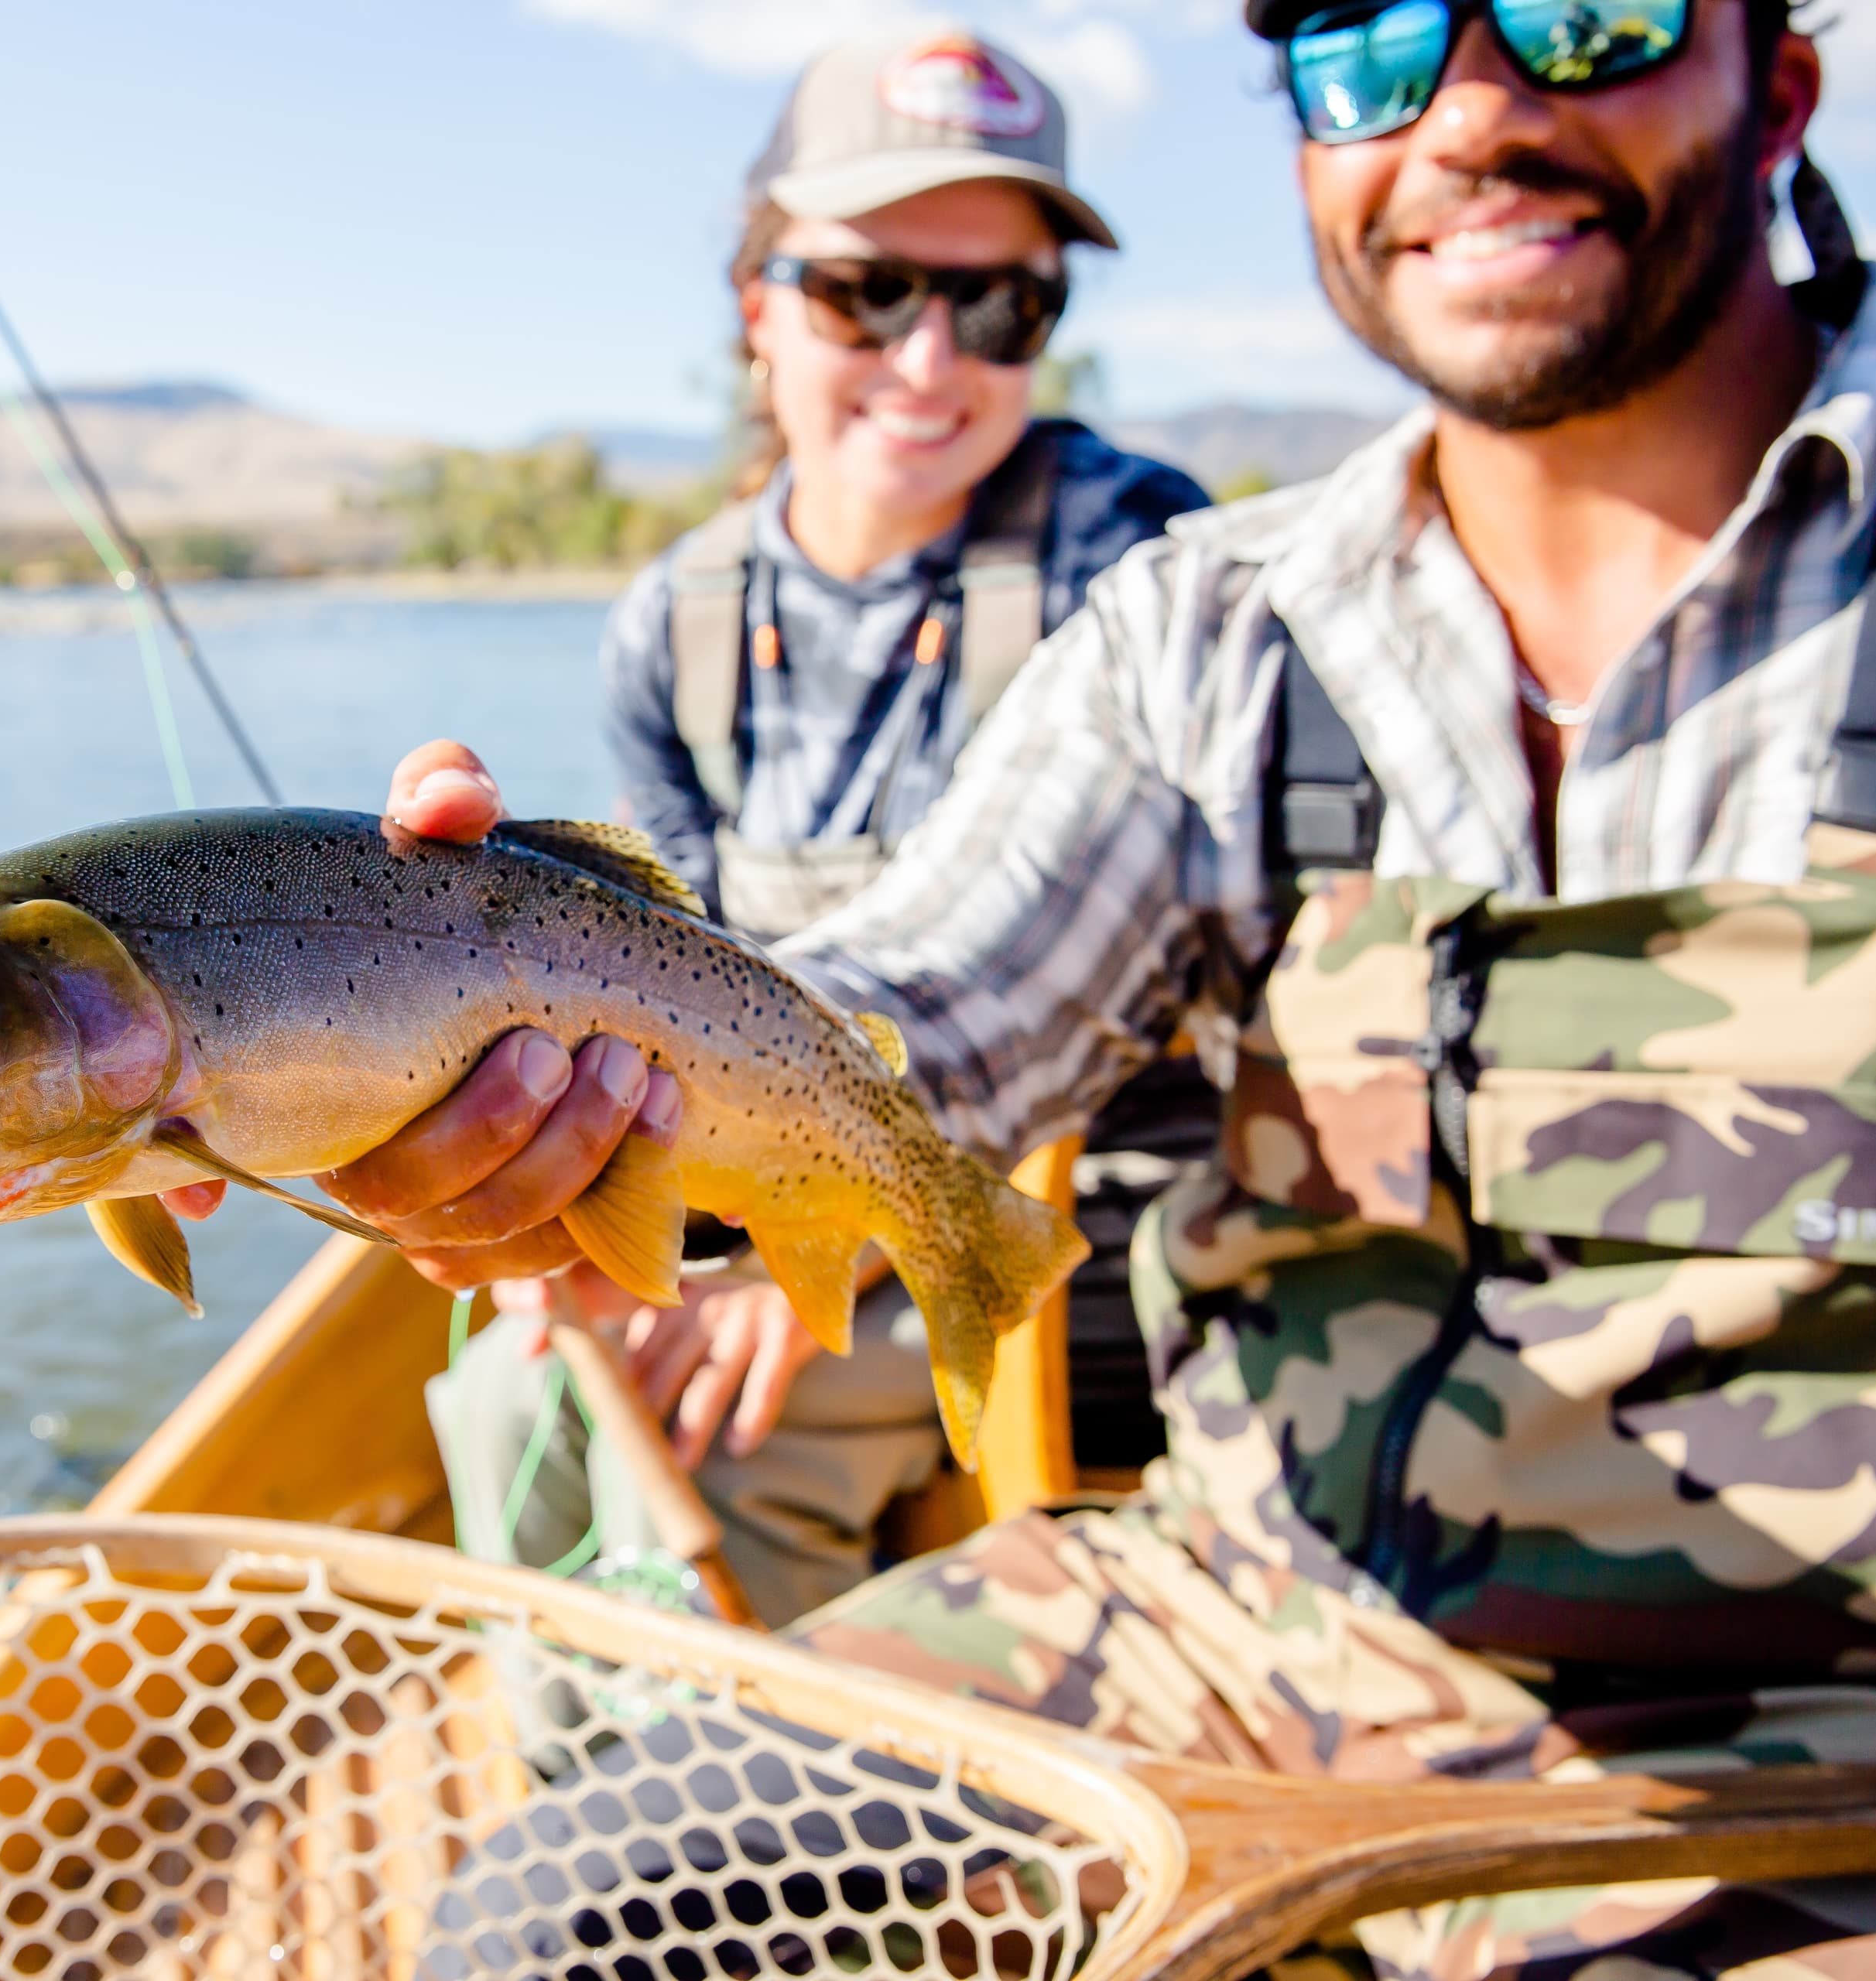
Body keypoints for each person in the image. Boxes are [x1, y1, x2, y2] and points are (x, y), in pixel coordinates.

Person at [180, 0, 1876, 1973]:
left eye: (1591, 12)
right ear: (1309, 145)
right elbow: (920, 1016)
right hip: (1242, 1619)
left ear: (1782, 84)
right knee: (567, 1912)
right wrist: (528, 1074)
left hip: (1852, 1743)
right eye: (1372, 43)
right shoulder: (1210, 628)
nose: (1473, 104)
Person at [424, 22, 1213, 1629]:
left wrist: (816, 1239)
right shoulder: (678, 621)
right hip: (791, 1162)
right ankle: (638, 1826)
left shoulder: (1143, 570)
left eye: (1002, 305)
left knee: (697, 1444)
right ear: (756, 306)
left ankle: (780, 1824)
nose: (932, 362)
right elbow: (673, 979)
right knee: (519, 1388)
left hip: (1091, 1227)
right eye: (868, 292)